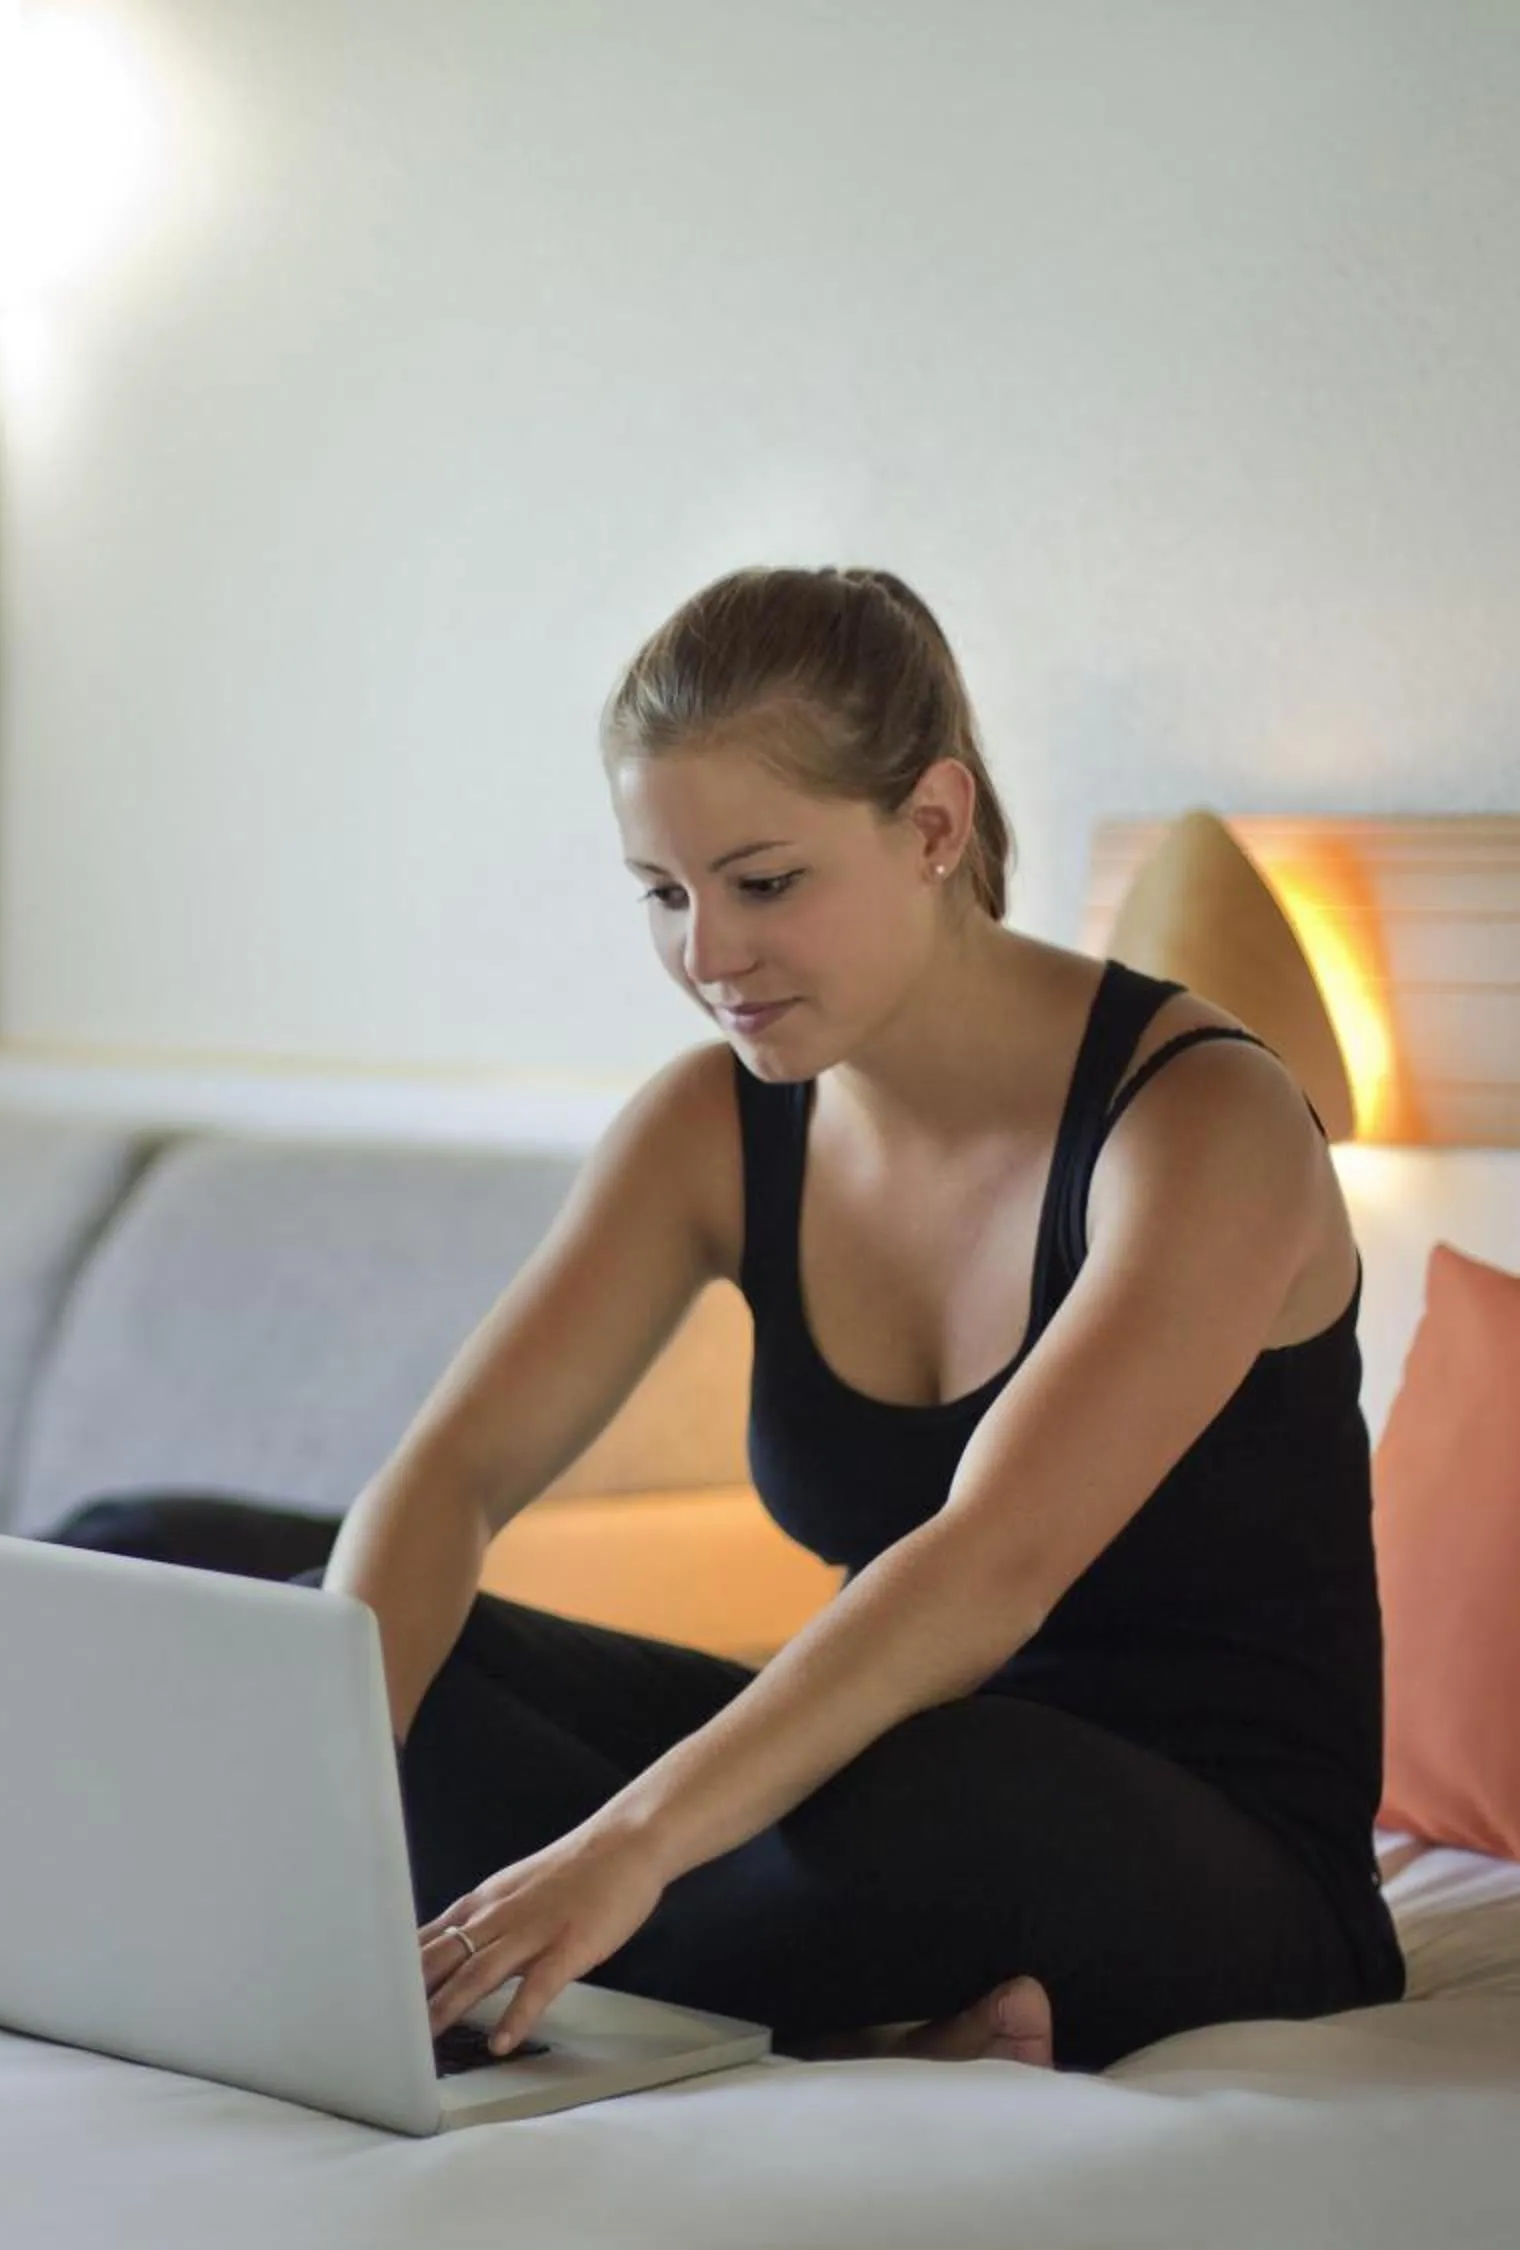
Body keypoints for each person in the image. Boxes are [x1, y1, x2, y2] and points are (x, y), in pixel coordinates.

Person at [303, 564, 1408, 2074]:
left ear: (935, 825)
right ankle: (820, 2001)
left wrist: (626, 1842)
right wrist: (320, 1773)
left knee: (915, 1794)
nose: (706, 954)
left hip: (1193, 1851)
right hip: (859, 1769)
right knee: (247, 1580)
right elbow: (452, 1475)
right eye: (663, 893)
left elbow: (988, 1566)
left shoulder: (1207, 1122)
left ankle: (625, 1947)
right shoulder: (712, 1126)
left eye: (763, 883)